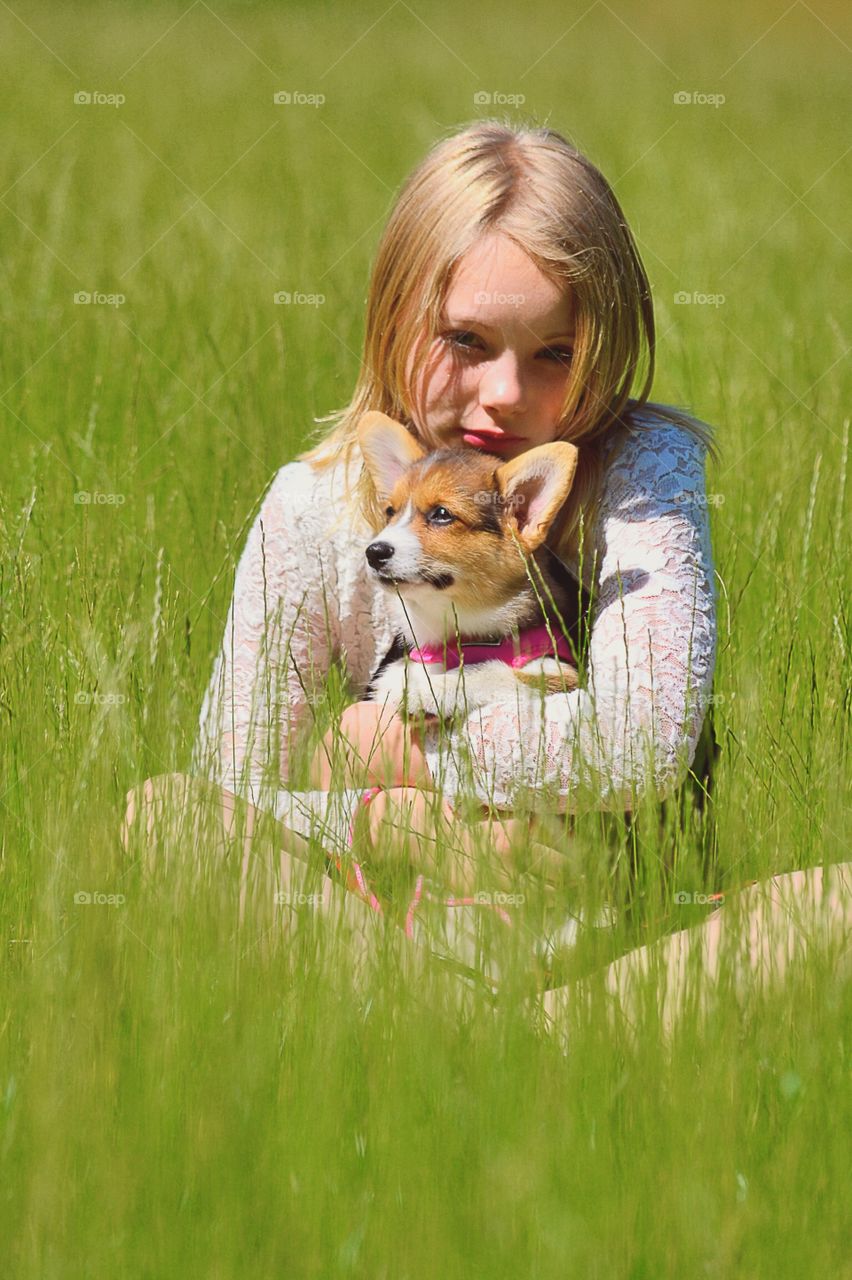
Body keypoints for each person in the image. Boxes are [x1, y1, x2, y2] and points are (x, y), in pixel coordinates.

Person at [122, 120, 849, 1030]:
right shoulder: (310, 507)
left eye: (555, 351)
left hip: (618, 945)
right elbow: (233, 784)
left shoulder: (638, 477)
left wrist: (389, 750)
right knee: (165, 819)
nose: (506, 393)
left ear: (608, 341)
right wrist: (417, 830)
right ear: (392, 320)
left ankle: (543, 1038)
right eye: (466, 340)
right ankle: (455, 1032)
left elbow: (645, 745)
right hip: (381, 934)